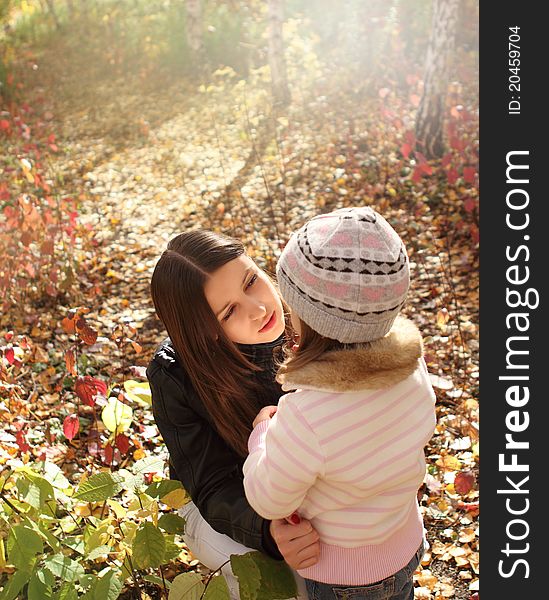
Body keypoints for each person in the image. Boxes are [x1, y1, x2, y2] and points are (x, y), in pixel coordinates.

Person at [243, 206, 437, 599]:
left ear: (312, 318)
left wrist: (263, 432)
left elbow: (268, 497)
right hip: (403, 544)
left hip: (345, 575)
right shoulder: (413, 369)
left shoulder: (306, 416)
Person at [146, 229, 316, 599]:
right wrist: (268, 531)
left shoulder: (309, 313)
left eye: (251, 281)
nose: (258, 309)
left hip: (301, 485)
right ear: (203, 333)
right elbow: (210, 483)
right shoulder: (174, 374)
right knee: (291, 584)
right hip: (222, 509)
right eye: (229, 311)